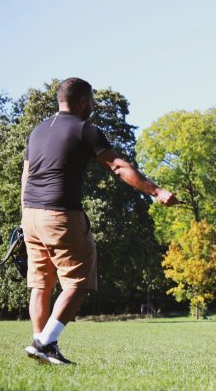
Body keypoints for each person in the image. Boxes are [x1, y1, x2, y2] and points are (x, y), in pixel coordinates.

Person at [21, 77, 178, 365]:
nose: (92, 106)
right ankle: (44, 342)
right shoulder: (86, 130)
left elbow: (27, 175)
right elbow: (118, 166)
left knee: (40, 285)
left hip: (30, 215)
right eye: (91, 101)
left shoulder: (38, 130)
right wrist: (155, 191)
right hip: (61, 214)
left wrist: (24, 216)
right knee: (79, 282)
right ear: (82, 101)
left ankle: (42, 346)